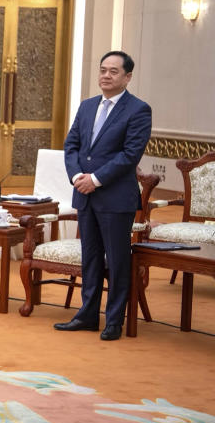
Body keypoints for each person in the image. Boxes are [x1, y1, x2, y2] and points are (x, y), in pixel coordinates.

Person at [56, 50, 151, 341]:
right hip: (85, 195)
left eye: (113, 71)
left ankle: (113, 321)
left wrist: (95, 179)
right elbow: (71, 145)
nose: (106, 76)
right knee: (91, 257)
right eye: (102, 70)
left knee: (118, 259)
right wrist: (76, 177)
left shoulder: (138, 110)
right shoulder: (86, 106)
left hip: (115, 198)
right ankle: (87, 315)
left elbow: (129, 155)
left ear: (128, 77)